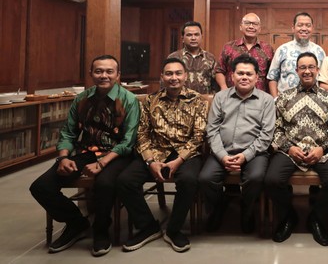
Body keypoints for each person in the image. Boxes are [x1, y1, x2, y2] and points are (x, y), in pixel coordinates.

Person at [30, 55, 139, 257]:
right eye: (98, 71)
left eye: (109, 71)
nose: (103, 75)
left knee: (105, 184)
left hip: (116, 154)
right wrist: (63, 158)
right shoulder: (81, 99)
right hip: (85, 152)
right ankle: (76, 223)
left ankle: (100, 230)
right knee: (41, 186)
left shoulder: (128, 100)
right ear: (91, 74)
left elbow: (129, 141)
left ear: (118, 75)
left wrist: (103, 162)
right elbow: (68, 133)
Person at [118, 58, 207, 253]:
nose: (173, 78)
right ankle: (148, 226)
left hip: (186, 153)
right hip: (156, 151)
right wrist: (150, 161)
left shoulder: (197, 100)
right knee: (125, 180)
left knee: (189, 180)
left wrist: (179, 160)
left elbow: (199, 135)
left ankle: (174, 230)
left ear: (185, 76)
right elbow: (141, 134)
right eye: (169, 74)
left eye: (177, 73)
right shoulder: (151, 100)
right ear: (162, 77)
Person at [265, 52, 328, 246]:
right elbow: (276, 129)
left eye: (311, 67)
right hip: (290, 151)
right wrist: (289, 148)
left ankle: (316, 218)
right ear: (296, 70)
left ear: (317, 70)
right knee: (272, 180)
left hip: (322, 151)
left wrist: (322, 149)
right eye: (303, 67)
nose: (307, 71)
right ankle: (288, 216)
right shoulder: (284, 97)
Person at [199, 54, 275, 235]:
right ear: (232, 76)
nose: (244, 77)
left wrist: (246, 155)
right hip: (222, 151)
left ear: (257, 77)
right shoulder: (220, 97)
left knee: (255, 177)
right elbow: (212, 130)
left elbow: (266, 135)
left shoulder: (266, 100)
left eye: (249, 74)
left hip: (255, 153)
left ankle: (247, 211)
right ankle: (218, 209)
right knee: (205, 178)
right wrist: (222, 155)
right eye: (240, 73)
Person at [267, 12, 325, 97]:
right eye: (300, 25)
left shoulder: (319, 51)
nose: (304, 28)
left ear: (312, 28)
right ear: (293, 28)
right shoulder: (282, 50)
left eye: (308, 25)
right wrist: (275, 100)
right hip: (286, 104)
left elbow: (324, 80)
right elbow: (272, 78)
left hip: (314, 103)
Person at [214, 13, 274, 92]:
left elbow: (272, 75)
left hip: (259, 98)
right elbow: (219, 70)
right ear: (241, 27)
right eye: (247, 23)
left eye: (255, 24)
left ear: (260, 29)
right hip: (232, 96)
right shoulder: (229, 47)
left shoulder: (268, 49)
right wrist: (224, 88)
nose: (251, 26)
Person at [167, 21, 218, 94]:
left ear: (202, 37)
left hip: (204, 102)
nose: (193, 38)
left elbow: (215, 84)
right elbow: (165, 83)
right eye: (189, 35)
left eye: (196, 35)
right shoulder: (174, 58)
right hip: (179, 102)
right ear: (182, 38)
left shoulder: (210, 58)